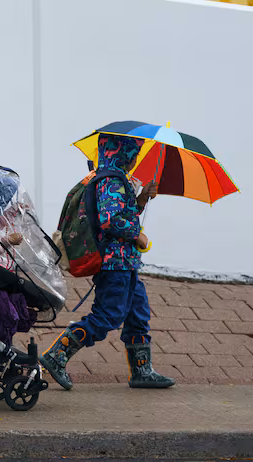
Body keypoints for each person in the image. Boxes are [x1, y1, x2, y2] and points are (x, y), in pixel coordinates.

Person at [40, 134, 175, 390]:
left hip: (126, 262)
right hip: (115, 264)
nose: (135, 158)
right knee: (108, 315)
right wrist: (138, 235)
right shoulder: (112, 180)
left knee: (137, 314)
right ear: (120, 152)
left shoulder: (114, 178)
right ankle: (57, 355)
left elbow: (123, 212)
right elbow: (111, 220)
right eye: (133, 153)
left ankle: (141, 371)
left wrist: (143, 198)